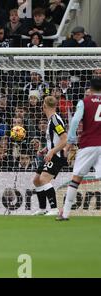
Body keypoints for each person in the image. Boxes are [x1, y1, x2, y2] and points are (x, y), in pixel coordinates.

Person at [57, 78, 101, 221]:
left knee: (76, 179)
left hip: (88, 144)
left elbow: (75, 121)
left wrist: (70, 141)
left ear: (90, 88)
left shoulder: (84, 102)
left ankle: (65, 213)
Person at [32, 96, 67, 216]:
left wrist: (52, 151)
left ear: (44, 106)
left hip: (57, 155)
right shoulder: (51, 120)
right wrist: (45, 149)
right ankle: (42, 209)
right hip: (50, 154)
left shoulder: (55, 120)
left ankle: (54, 209)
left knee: (44, 179)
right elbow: (54, 140)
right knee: (36, 180)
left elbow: (64, 139)